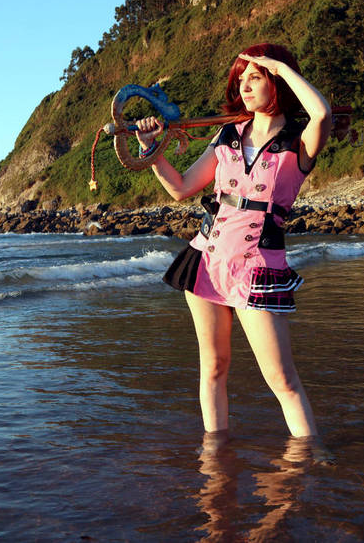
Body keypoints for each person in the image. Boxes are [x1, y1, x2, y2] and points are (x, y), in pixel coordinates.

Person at [135, 43, 332, 445]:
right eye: (240, 79)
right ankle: (216, 453)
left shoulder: (299, 140)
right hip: (207, 257)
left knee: (281, 377)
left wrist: (277, 64)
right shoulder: (227, 134)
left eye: (255, 77)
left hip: (258, 265)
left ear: (276, 80)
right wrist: (151, 152)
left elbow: (323, 112)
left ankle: (312, 459)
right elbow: (182, 188)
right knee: (213, 368)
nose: (244, 86)